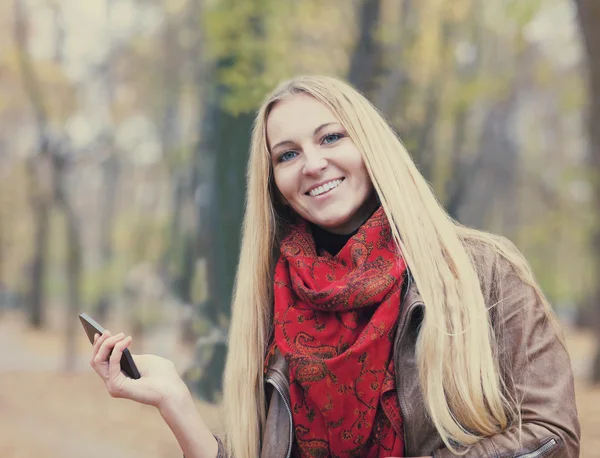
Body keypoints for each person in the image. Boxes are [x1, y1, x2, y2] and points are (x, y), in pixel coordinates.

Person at [90, 75, 580, 458]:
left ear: (369, 145)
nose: (312, 164)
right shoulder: (272, 299)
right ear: (274, 182)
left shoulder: (483, 270)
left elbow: (554, 437)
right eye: (287, 154)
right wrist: (173, 400)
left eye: (330, 138)